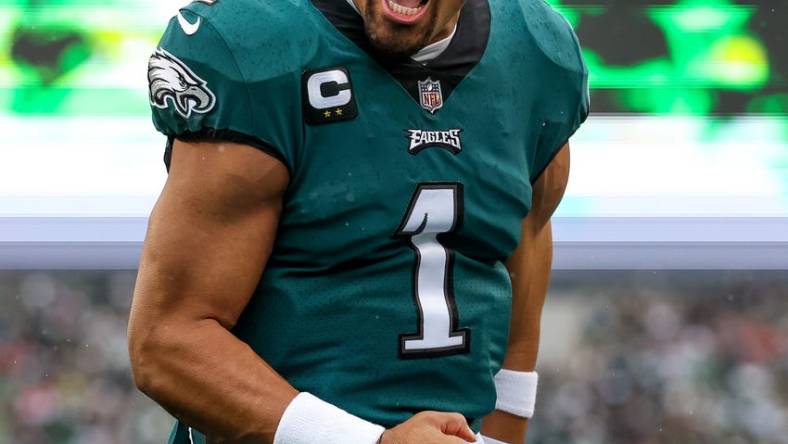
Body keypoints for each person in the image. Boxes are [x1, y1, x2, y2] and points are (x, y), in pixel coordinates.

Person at [128, 0, 588, 442]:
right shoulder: (260, 46)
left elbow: (522, 254)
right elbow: (166, 342)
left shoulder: (535, 53)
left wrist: (504, 436)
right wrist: (371, 441)